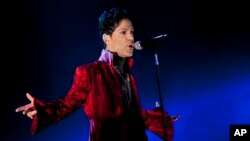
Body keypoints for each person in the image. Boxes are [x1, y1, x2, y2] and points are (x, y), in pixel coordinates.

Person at [15, 7, 179, 141]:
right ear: (107, 38)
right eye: (123, 32)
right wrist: (42, 111)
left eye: (132, 32)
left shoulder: (129, 76)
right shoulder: (90, 72)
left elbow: (134, 117)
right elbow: (67, 104)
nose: (131, 38)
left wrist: (161, 119)